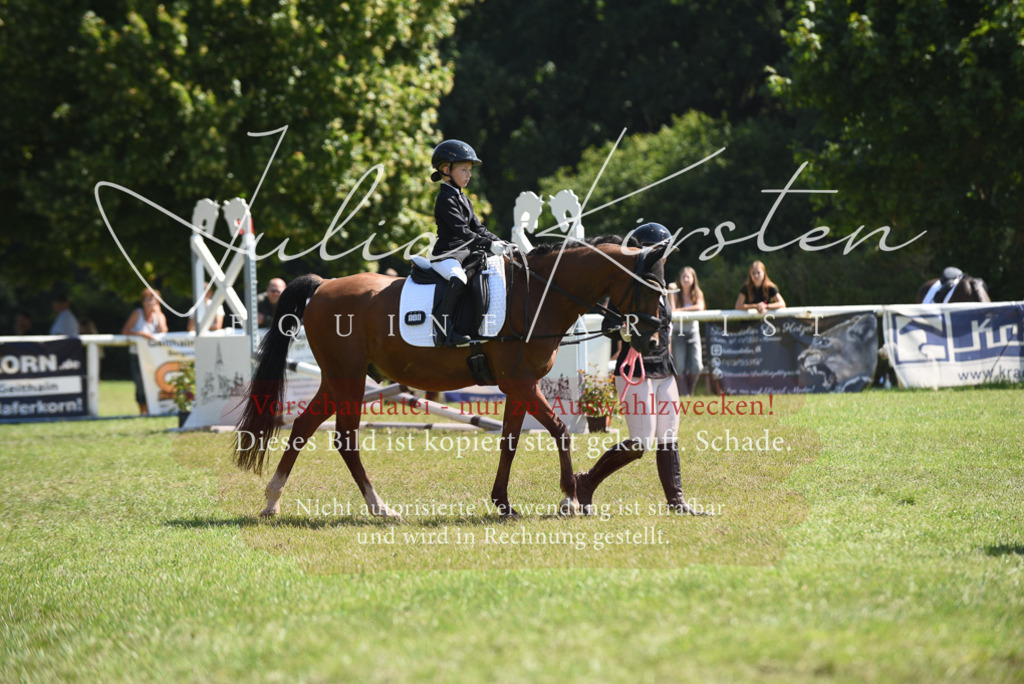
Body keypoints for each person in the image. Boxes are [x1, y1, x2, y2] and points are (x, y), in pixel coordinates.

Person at [575, 222, 706, 516]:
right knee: (640, 442)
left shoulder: (661, 288)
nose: (666, 257)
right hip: (635, 372)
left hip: (663, 369)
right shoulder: (625, 287)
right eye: (662, 251)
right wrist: (629, 334)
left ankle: (677, 502)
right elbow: (609, 327)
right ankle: (585, 482)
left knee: (668, 436)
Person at [429, 139, 510, 346]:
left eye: (469, 170)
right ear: (446, 170)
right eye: (464, 169)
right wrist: (488, 245)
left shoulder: (464, 199)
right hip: (446, 255)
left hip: (463, 254)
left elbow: (479, 228)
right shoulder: (445, 200)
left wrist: (499, 242)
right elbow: (463, 232)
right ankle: (442, 329)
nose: (469, 175)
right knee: (458, 279)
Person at [122, 288, 169, 415]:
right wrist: (141, 334)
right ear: (143, 301)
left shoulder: (159, 316)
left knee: (154, 382)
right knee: (140, 383)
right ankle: (143, 411)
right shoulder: (137, 313)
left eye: (153, 300)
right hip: (137, 354)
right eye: (147, 299)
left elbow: (164, 331)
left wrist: (158, 314)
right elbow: (125, 331)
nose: (150, 302)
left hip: (153, 356)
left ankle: (152, 409)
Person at [670, 266, 705, 396]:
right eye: (683, 277)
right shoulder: (676, 294)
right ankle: (682, 394)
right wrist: (671, 293)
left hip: (693, 333)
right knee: (679, 368)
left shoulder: (697, 293)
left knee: (697, 366)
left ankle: (689, 391)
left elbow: (700, 307)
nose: (685, 279)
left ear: (693, 279)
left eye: (688, 277)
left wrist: (681, 310)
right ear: (679, 279)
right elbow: (672, 311)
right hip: (678, 333)